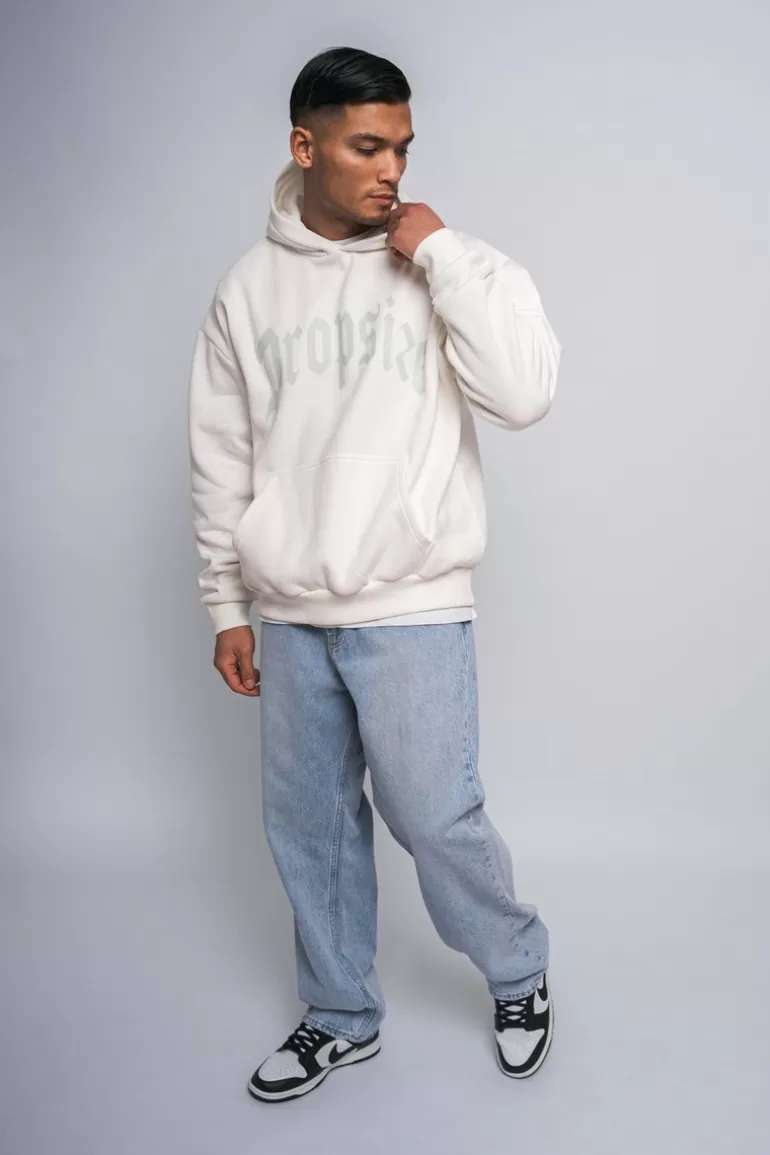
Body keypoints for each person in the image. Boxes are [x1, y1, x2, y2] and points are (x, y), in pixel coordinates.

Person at [188, 45, 561, 1103]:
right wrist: (227, 602)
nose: (390, 168)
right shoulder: (247, 290)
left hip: (412, 601)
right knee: (308, 827)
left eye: (400, 146)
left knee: (435, 817)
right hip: (289, 607)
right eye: (365, 147)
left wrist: (439, 254)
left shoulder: (449, 263)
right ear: (304, 147)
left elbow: (523, 394)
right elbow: (221, 454)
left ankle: (518, 972)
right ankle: (340, 1014)